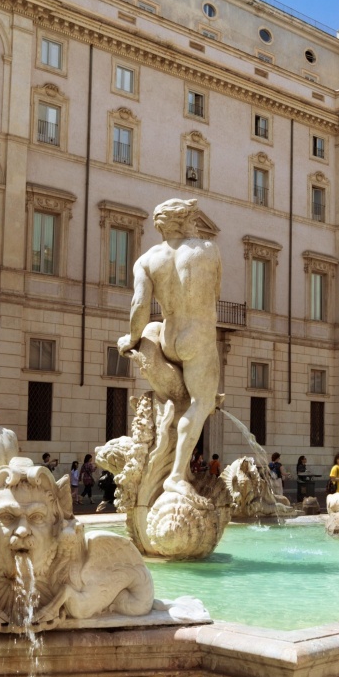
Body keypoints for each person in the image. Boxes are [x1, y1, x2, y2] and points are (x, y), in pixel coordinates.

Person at [117, 197, 222, 493]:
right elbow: (215, 292)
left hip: (168, 336)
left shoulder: (147, 260)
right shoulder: (208, 250)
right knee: (202, 403)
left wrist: (131, 338)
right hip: (197, 337)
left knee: (152, 327)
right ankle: (176, 475)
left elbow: (139, 305)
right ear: (186, 221)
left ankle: (165, 453)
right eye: (192, 220)